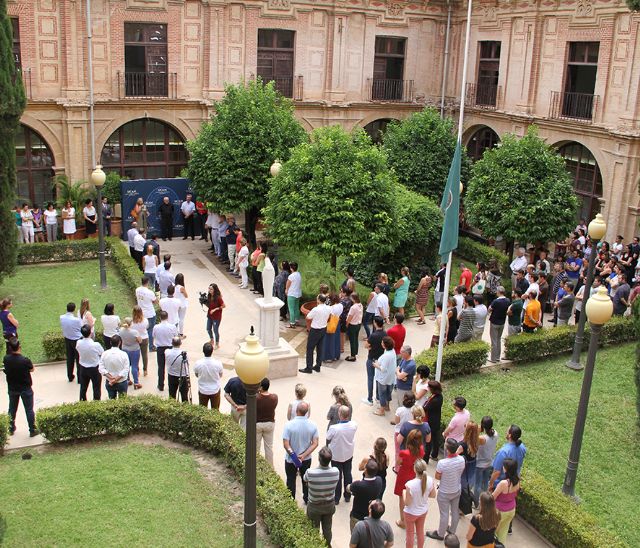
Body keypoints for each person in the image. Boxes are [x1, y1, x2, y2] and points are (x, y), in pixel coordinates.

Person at [426, 438, 466, 541]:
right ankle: (452, 530)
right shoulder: (462, 460)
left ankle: (440, 534)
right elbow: (460, 472)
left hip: (444, 491)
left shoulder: (442, 463)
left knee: (444, 514)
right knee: (455, 511)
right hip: (456, 489)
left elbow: (437, 476)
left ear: (447, 450)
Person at [283, 402, 319, 504]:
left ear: (296, 411)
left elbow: (286, 444)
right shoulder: (313, 425)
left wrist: (294, 457)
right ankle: (306, 498)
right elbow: (315, 443)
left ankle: (291, 502)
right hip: (306, 458)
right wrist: (303, 455)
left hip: (291, 459)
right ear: (307, 412)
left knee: (290, 480)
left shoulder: (288, 425)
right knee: (305, 479)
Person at [304, 446, 340, 546]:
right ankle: (327, 545)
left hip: (314, 506)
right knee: (327, 529)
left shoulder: (310, 473)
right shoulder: (336, 472)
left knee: (313, 530)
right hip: (329, 505)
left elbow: (305, 481)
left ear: (319, 458)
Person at [3, 337, 38, 437]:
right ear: (19, 347)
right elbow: (32, 369)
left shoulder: (6, 359)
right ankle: (32, 430)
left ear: (10, 348)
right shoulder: (25, 360)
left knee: (12, 409)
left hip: (12, 388)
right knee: (29, 409)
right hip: (25, 388)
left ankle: (11, 428)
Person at [326, 405, 358, 503]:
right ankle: (348, 495)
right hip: (348, 454)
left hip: (336, 455)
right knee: (348, 474)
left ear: (339, 414)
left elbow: (328, 437)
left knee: (337, 476)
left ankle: (337, 498)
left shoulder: (334, 428)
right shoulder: (354, 425)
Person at [394, 429, 424, 528]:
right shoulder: (421, 450)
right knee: (412, 496)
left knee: (402, 497)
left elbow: (398, 462)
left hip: (404, 475)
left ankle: (403, 520)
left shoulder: (404, 453)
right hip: (414, 475)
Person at [403, 458, 436, 548]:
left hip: (410, 512)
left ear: (415, 469)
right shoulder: (430, 480)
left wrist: (404, 493)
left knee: (410, 534)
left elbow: (407, 503)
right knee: (420, 531)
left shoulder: (410, 484)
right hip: (423, 511)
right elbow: (433, 495)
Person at [300, 293, 331, 374]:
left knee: (310, 349)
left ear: (319, 300)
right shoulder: (328, 308)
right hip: (323, 329)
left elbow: (308, 317)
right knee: (320, 348)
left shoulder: (316, 309)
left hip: (315, 330)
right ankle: (318, 366)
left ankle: (309, 368)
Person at [492, 458, 521, 544]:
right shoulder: (517, 481)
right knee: (503, 533)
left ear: (506, 469)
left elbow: (493, 497)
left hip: (500, 511)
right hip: (511, 510)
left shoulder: (503, 483)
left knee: (492, 533)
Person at [490, 425, 527, 489]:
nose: (506, 432)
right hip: (514, 482)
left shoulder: (503, 452)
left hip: (500, 485)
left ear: (510, 435)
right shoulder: (522, 447)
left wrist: (490, 485)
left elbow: (496, 472)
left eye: (507, 431)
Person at [474, 416, 499, 504]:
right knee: (485, 483)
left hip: (480, 464)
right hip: (489, 463)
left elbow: (474, 440)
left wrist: (478, 430)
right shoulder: (495, 433)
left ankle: (476, 502)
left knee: (477, 485)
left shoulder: (482, 438)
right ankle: (483, 502)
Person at [76, 324, 103, 401]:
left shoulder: (79, 343)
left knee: (83, 388)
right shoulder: (95, 345)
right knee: (96, 388)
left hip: (83, 368)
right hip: (94, 369)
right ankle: (96, 402)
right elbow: (102, 353)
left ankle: (82, 401)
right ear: (90, 333)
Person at [363, 316, 386, 405]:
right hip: (380, 359)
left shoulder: (373, 335)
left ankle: (370, 398)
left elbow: (366, 345)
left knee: (370, 378)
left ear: (375, 323)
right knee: (378, 379)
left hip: (372, 358)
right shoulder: (385, 334)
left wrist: (370, 347)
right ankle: (378, 397)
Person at [152, 310, 177, 391]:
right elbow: (176, 336)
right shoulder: (172, 326)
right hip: (170, 347)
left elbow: (153, 336)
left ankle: (161, 385)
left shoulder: (156, 327)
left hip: (160, 348)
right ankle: (171, 384)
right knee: (171, 366)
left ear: (160, 318)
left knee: (161, 367)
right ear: (167, 317)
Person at [98, 335, 130, 399]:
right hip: (121, 381)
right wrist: (116, 379)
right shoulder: (123, 354)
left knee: (112, 401)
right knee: (123, 401)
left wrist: (111, 378)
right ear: (120, 343)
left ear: (110, 342)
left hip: (109, 381)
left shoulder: (105, 354)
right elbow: (126, 369)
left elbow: (101, 368)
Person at [194, 342, 223, 409]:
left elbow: (196, 374)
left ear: (203, 351)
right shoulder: (218, 363)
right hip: (215, 390)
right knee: (215, 410)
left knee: (202, 410)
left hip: (203, 390)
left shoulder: (198, 363)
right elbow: (220, 375)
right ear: (212, 351)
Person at [256, 377, 279, 465]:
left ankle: (256, 465)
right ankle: (270, 467)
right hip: (270, 423)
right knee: (269, 447)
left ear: (261, 387)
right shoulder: (274, 397)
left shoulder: (256, 398)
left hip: (257, 424)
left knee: (256, 447)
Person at [372, 336, 397, 416]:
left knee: (382, 394)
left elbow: (383, 369)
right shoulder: (392, 351)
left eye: (382, 343)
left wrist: (376, 365)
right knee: (388, 392)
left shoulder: (386, 356)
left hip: (383, 378)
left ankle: (382, 410)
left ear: (385, 345)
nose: (381, 343)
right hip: (390, 376)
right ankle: (387, 407)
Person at [60, 302, 82, 382]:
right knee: (79, 359)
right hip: (76, 340)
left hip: (67, 339)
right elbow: (81, 328)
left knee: (70, 358)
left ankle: (70, 376)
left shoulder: (62, 317)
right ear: (74, 309)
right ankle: (80, 378)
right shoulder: (76, 320)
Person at [391, 394, 415, 468]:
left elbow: (396, 421)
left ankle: (397, 468)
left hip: (399, 432)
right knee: (408, 450)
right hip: (410, 432)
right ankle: (406, 465)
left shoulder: (400, 410)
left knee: (398, 451)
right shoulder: (414, 410)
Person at [488, 286, 510, 363]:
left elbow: (490, 309)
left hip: (494, 322)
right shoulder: (507, 300)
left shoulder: (496, 301)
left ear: (498, 292)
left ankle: (493, 358)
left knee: (494, 340)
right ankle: (497, 357)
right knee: (498, 339)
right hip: (502, 322)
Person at [165, 336, 190, 402]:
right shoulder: (184, 354)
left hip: (171, 375)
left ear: (172, 343)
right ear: (180, 343)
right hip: (183, 376)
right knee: (184, 396)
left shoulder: (167, 352)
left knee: (172, 396)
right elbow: (187, 364)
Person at [120, 317, 142, 390]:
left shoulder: (121, 331)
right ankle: (136, 382)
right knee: (134, 366)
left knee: (126, 366)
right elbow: (140, 341)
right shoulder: (134, 332)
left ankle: (127, 380)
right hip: (134, 350)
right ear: (131, 323)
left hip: (125, 349)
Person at [424, 380, 444, 461]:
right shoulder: (438, 396)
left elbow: (425, 408)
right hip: (435, 420)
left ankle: (427, 456)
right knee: (435, 438)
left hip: (432, 421)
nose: (428, 388)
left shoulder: (435, 400)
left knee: (430, 440)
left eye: (429, 387)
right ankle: (434, 454)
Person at [136, 277, 157, 349]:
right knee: (150, 330)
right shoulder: (150, 292)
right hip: (150, 313)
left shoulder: (137, 290)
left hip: (141, 313)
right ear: (147, 282)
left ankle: (141, 344)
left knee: (141, 329)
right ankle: (151, 346)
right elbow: (155, 301)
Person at [323, 293, 343, 362]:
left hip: (331, 323)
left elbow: (328, 316)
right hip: (337, 322)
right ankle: (335, 355)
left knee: (329, 340)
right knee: (336, 340)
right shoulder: (341, 305)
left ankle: (328, 357)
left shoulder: (332, 308)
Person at [131, 305, 149, 377]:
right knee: (144, 355)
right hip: (144, 338)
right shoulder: (145, 320)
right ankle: (145, 370)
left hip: (136, 339)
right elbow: (147, 327)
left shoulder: (132, 322)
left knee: (136, 355)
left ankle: (137, 370)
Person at [206, 283, 225, 349]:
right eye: (209, 288)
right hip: (210, 316)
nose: (209, 290)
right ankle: (212, 340)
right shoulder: (209, 296)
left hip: (216, 317)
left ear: (214, 290)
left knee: (215, 330)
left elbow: (223, 306)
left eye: (211, 289)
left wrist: (215, 309)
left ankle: (217, 344)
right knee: (208, 329)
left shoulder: (218, 297)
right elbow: (209, 305)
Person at [345, 292, 363, 361]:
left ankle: (352, 356)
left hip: (352, 325)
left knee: (352, 340)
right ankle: (355, 352)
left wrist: (347, 324)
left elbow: (350, 317)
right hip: (358, 324)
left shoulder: (353, 307)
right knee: (355, 339)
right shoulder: (360, 305)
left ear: (353, 298)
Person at [286, 262, 302, 328]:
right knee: (296, 308)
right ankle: (297, 321)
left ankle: (292, 323)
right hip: (298, 293)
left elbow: (288, 284)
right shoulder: (299, 274)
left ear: (291, 268)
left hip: (291, 294)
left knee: (291, 309)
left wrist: (286, 290)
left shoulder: (291, 276)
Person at [173, 273, 189, 337]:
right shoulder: (182, 288)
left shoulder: (174, 286)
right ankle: (181, 333)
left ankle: (175, 332)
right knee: (181, 319)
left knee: (176, 318)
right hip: (182, 304)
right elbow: (186, 296)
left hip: (176, 304)